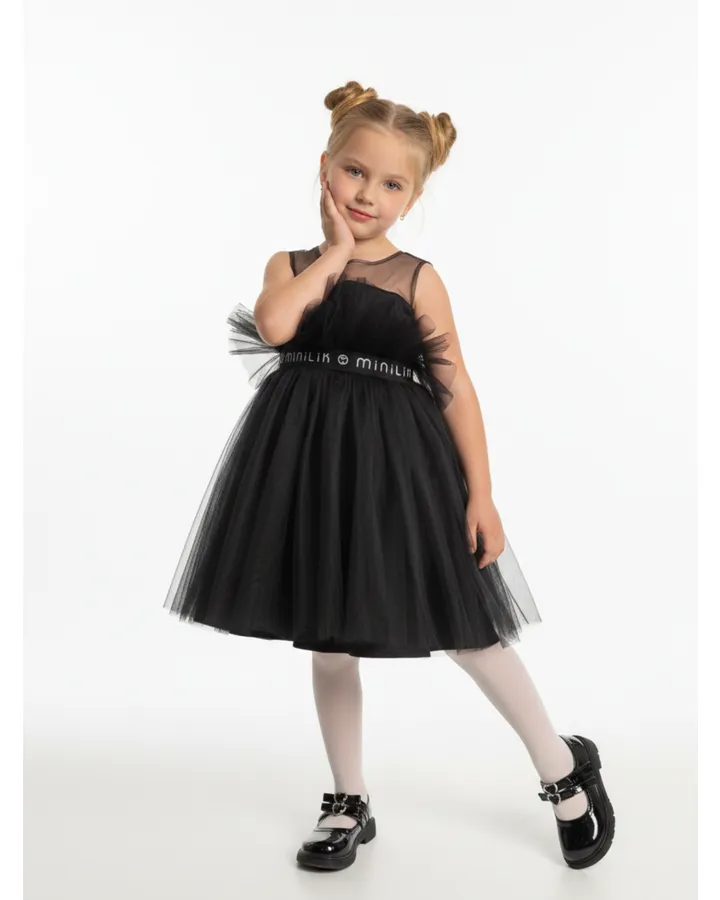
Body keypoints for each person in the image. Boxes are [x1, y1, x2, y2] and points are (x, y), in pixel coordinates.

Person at [163, 80, 615, 871]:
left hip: (399, 471)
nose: (367, 194)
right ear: (325, 168)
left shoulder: (416, 278)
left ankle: (561, 766)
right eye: (354, 172)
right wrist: (336, 255)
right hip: (308, 470)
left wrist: (481, 493)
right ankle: (348, 797)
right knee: (328, 638)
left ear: (414, 196)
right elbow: (276, 325)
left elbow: (456, 387)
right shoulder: (290, 265)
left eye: (391, 184)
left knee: (467, 628)